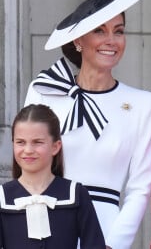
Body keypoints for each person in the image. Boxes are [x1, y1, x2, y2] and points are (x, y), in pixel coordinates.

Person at [24, 0, 151, 249]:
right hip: (46, 226)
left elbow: (140, 187)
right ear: (78, 40)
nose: (111, 41)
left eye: (118, 31)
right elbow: (27, 170)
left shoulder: (143, 103)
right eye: (99, 30)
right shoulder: (43, 92)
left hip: (105, 231)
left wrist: (113, 244)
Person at [0, 104, 106, 249]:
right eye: (20, 142)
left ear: (55, 147)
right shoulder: (2, 197)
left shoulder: (76, 194)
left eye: (37, 142)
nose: (28, 150)